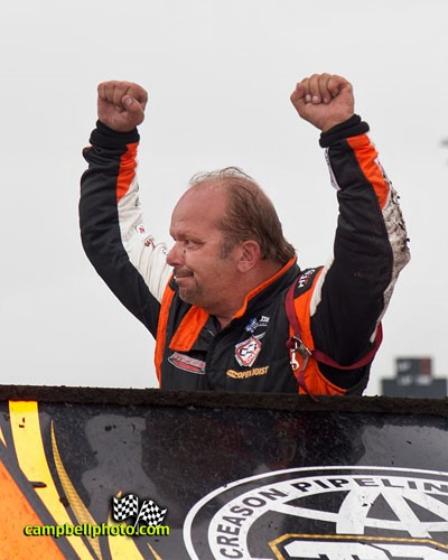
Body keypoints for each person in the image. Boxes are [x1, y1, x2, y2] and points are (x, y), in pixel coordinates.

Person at [79, 74, 410, 395]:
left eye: (190, 243)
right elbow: (111, 236)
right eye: (177, 240)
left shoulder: (312, 315)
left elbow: (374, 248)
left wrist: (342, 133)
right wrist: (113, 139)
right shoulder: (179, 301)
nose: (172, 255)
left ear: (246, 254)